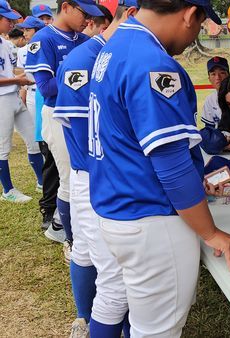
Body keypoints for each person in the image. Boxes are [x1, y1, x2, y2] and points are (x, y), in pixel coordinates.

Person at [87, 0, 230, 335]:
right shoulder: (152, 63)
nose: (193, 36)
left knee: (117, 305)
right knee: (156, 331)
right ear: (190, 14)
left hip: (116, 206)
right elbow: (172, 168)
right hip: (151, 217)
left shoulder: (117, 43)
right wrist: (211, 233)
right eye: (199, 24)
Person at [53, 1, 139, 336]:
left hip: (103, 176)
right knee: (109, 274)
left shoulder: (115, 54)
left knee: (93, 256)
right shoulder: (84, 58)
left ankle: (89, 320)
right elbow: (80, 135)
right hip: (95, 176)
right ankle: (87, 319)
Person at [25, 0, 103, 247]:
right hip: (59, 114)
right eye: (84, 13)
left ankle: (80, 231)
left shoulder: (82, 39)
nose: (88, 20)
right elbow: (46, 87)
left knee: (86, 174)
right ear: (67, 7)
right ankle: (67, 235)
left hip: (85, 114)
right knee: (69, 177)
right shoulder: (44, 39)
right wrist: (80, 74)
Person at [0, 1, 43, 203]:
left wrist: (25, 75)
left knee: (33, 140)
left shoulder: (7, 44)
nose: (12, 24)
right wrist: (18, 80)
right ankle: (8, 190)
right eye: (8, 19)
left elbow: (11, 72)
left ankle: (42, 181)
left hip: (14, 96)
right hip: (1, 99)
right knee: (3, 147)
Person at [16, 16, 46, 121]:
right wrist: (22, 98)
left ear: (38, 31)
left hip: (44, 92)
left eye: (28, 30)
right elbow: (22, 75)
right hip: (30, 93)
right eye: (23, 30)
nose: (24, 34)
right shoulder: (22, 51)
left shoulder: (47, 47)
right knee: (33, 130)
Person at [201, 56, 229, 128]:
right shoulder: (210, 100)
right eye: (213, 74)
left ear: (228, 75)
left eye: (222, 73)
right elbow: (209, 128)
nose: (218, 77)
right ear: (209, 79)